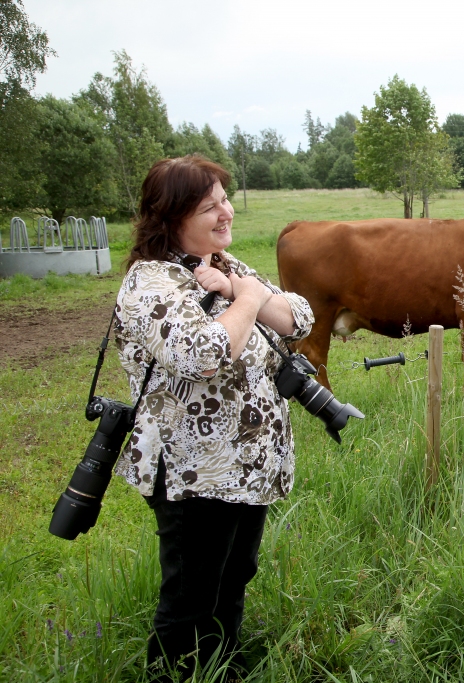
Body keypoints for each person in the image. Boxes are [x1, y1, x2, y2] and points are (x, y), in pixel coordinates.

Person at [113, 155, 314, 679]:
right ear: (170, 216)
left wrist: (238, 289)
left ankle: (223, 668)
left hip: (245, 464)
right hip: (192, 471)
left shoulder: (224, 265)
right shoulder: (149, 285)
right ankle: (177, 673)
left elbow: (299, 317)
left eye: (225, 199)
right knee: (191, 594)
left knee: (234, 576)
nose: (226, 212)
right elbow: (205, 352)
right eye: (210, 206)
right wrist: (247, 298)